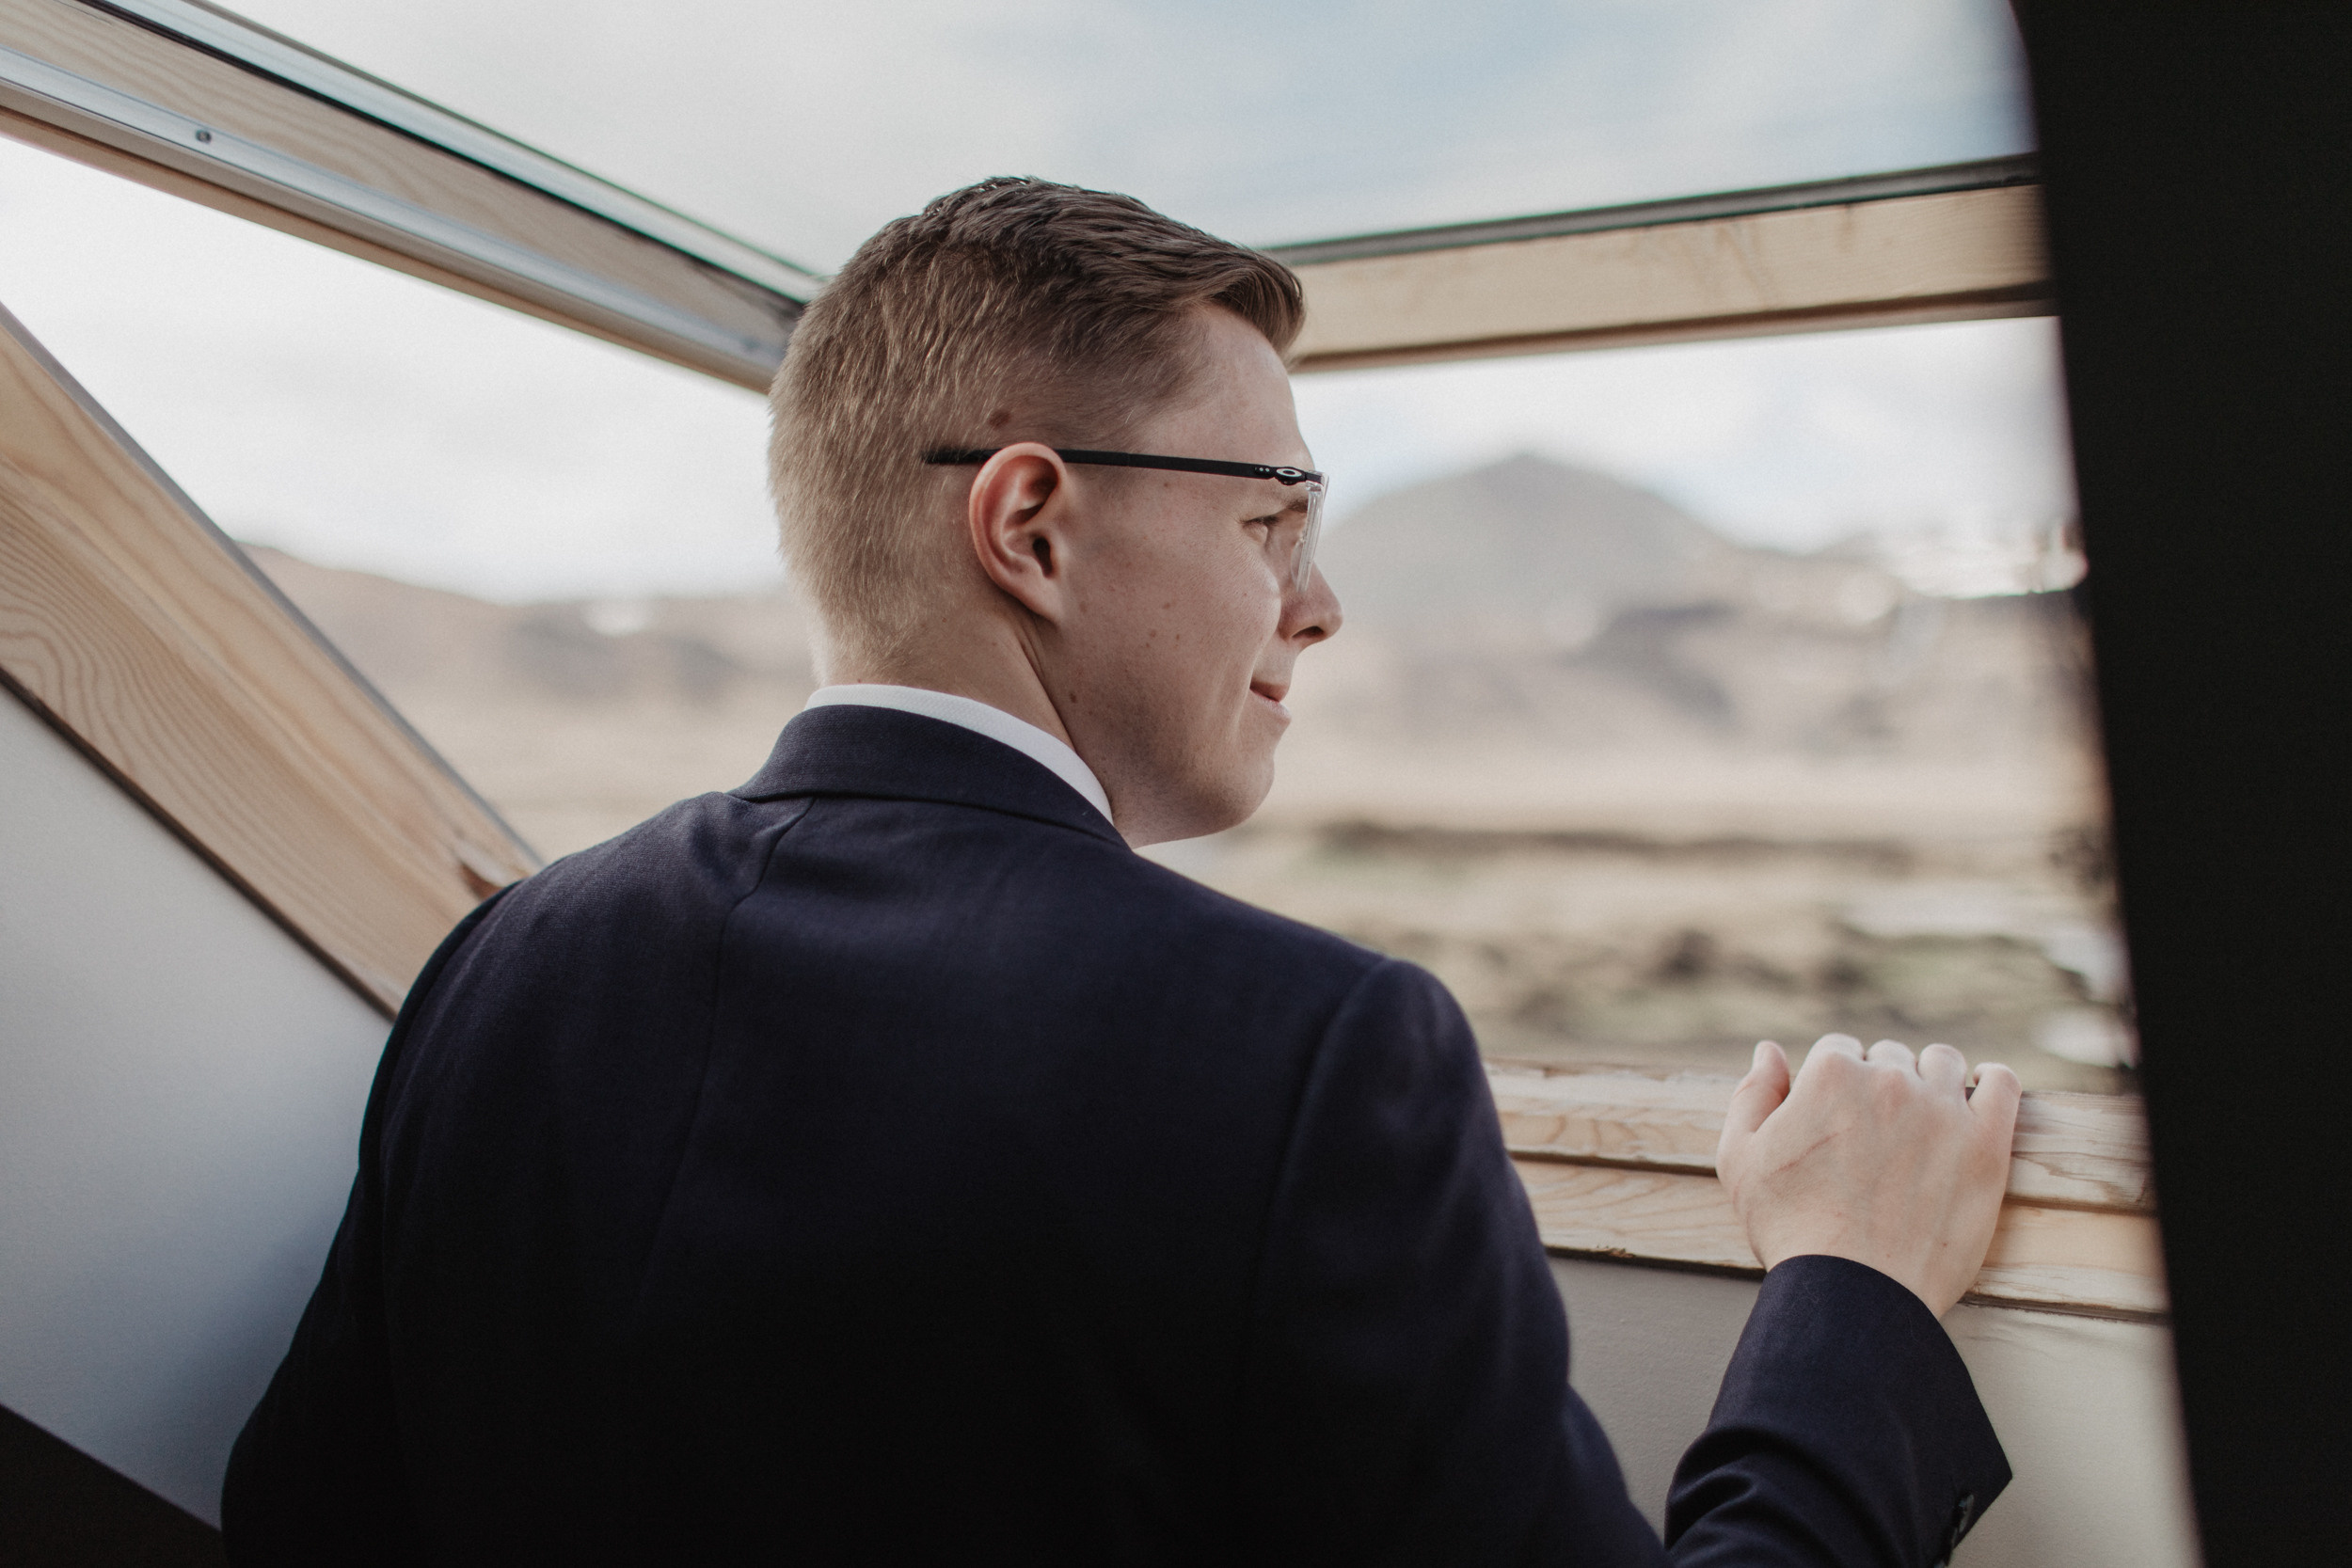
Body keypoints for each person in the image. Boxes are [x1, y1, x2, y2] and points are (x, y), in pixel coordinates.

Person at [222, 177, 2023, 1565]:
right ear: (1031, 525)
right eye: (1272, 519)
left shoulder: (511, 962)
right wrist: (1852, 1291)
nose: (1320, 604)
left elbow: (303, 1520)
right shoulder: (1312, 1055)